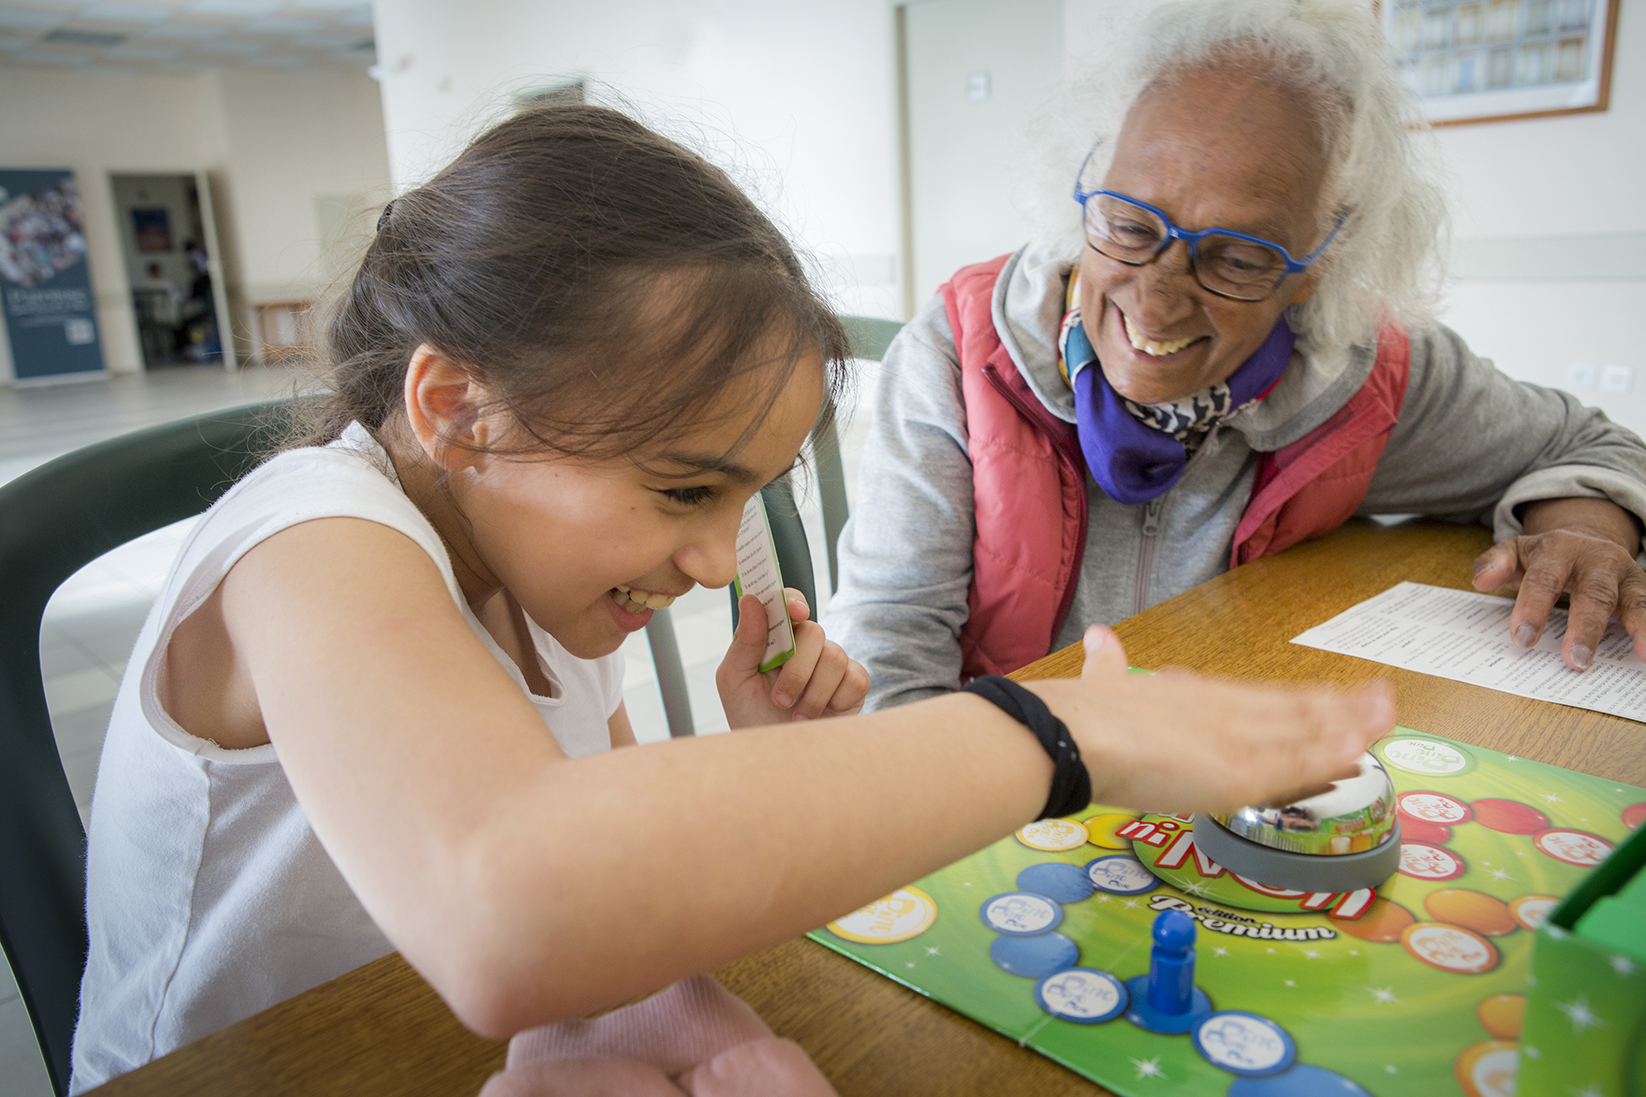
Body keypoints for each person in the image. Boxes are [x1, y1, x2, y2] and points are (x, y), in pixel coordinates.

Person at [68, 103, 1394, 1093]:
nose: (714, 562)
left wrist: (759, 768)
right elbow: (506, 904)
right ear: (456, 408)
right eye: (680, 490)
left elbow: (599, 841)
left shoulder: (528, 559)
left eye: (742, 499)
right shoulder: (315, 544)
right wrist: (1056, 739)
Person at [823, 0, 1646, 712]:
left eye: (1238, 257)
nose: (1156, 295)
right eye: (1130, 224)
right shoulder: (961, 357)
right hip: (1003, 784)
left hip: (1237, 776)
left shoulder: (1363, 380)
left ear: (1319, 265)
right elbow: (886, 660)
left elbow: (1587, 444)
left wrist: (1586, 526)